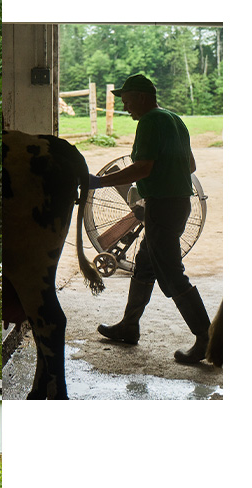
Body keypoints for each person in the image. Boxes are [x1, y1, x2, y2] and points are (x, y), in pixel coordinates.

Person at [88, 73, 211, 364]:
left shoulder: (149, 122)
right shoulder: (174, 119)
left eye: (128, 100)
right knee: (144, 266)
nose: (126, 106)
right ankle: (129, 327)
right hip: (177, 203)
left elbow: (142, 168)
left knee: (171, 273)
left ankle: (207, 339)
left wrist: (98, 183)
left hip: (163, 207)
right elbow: (190, 164)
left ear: (142, 97)